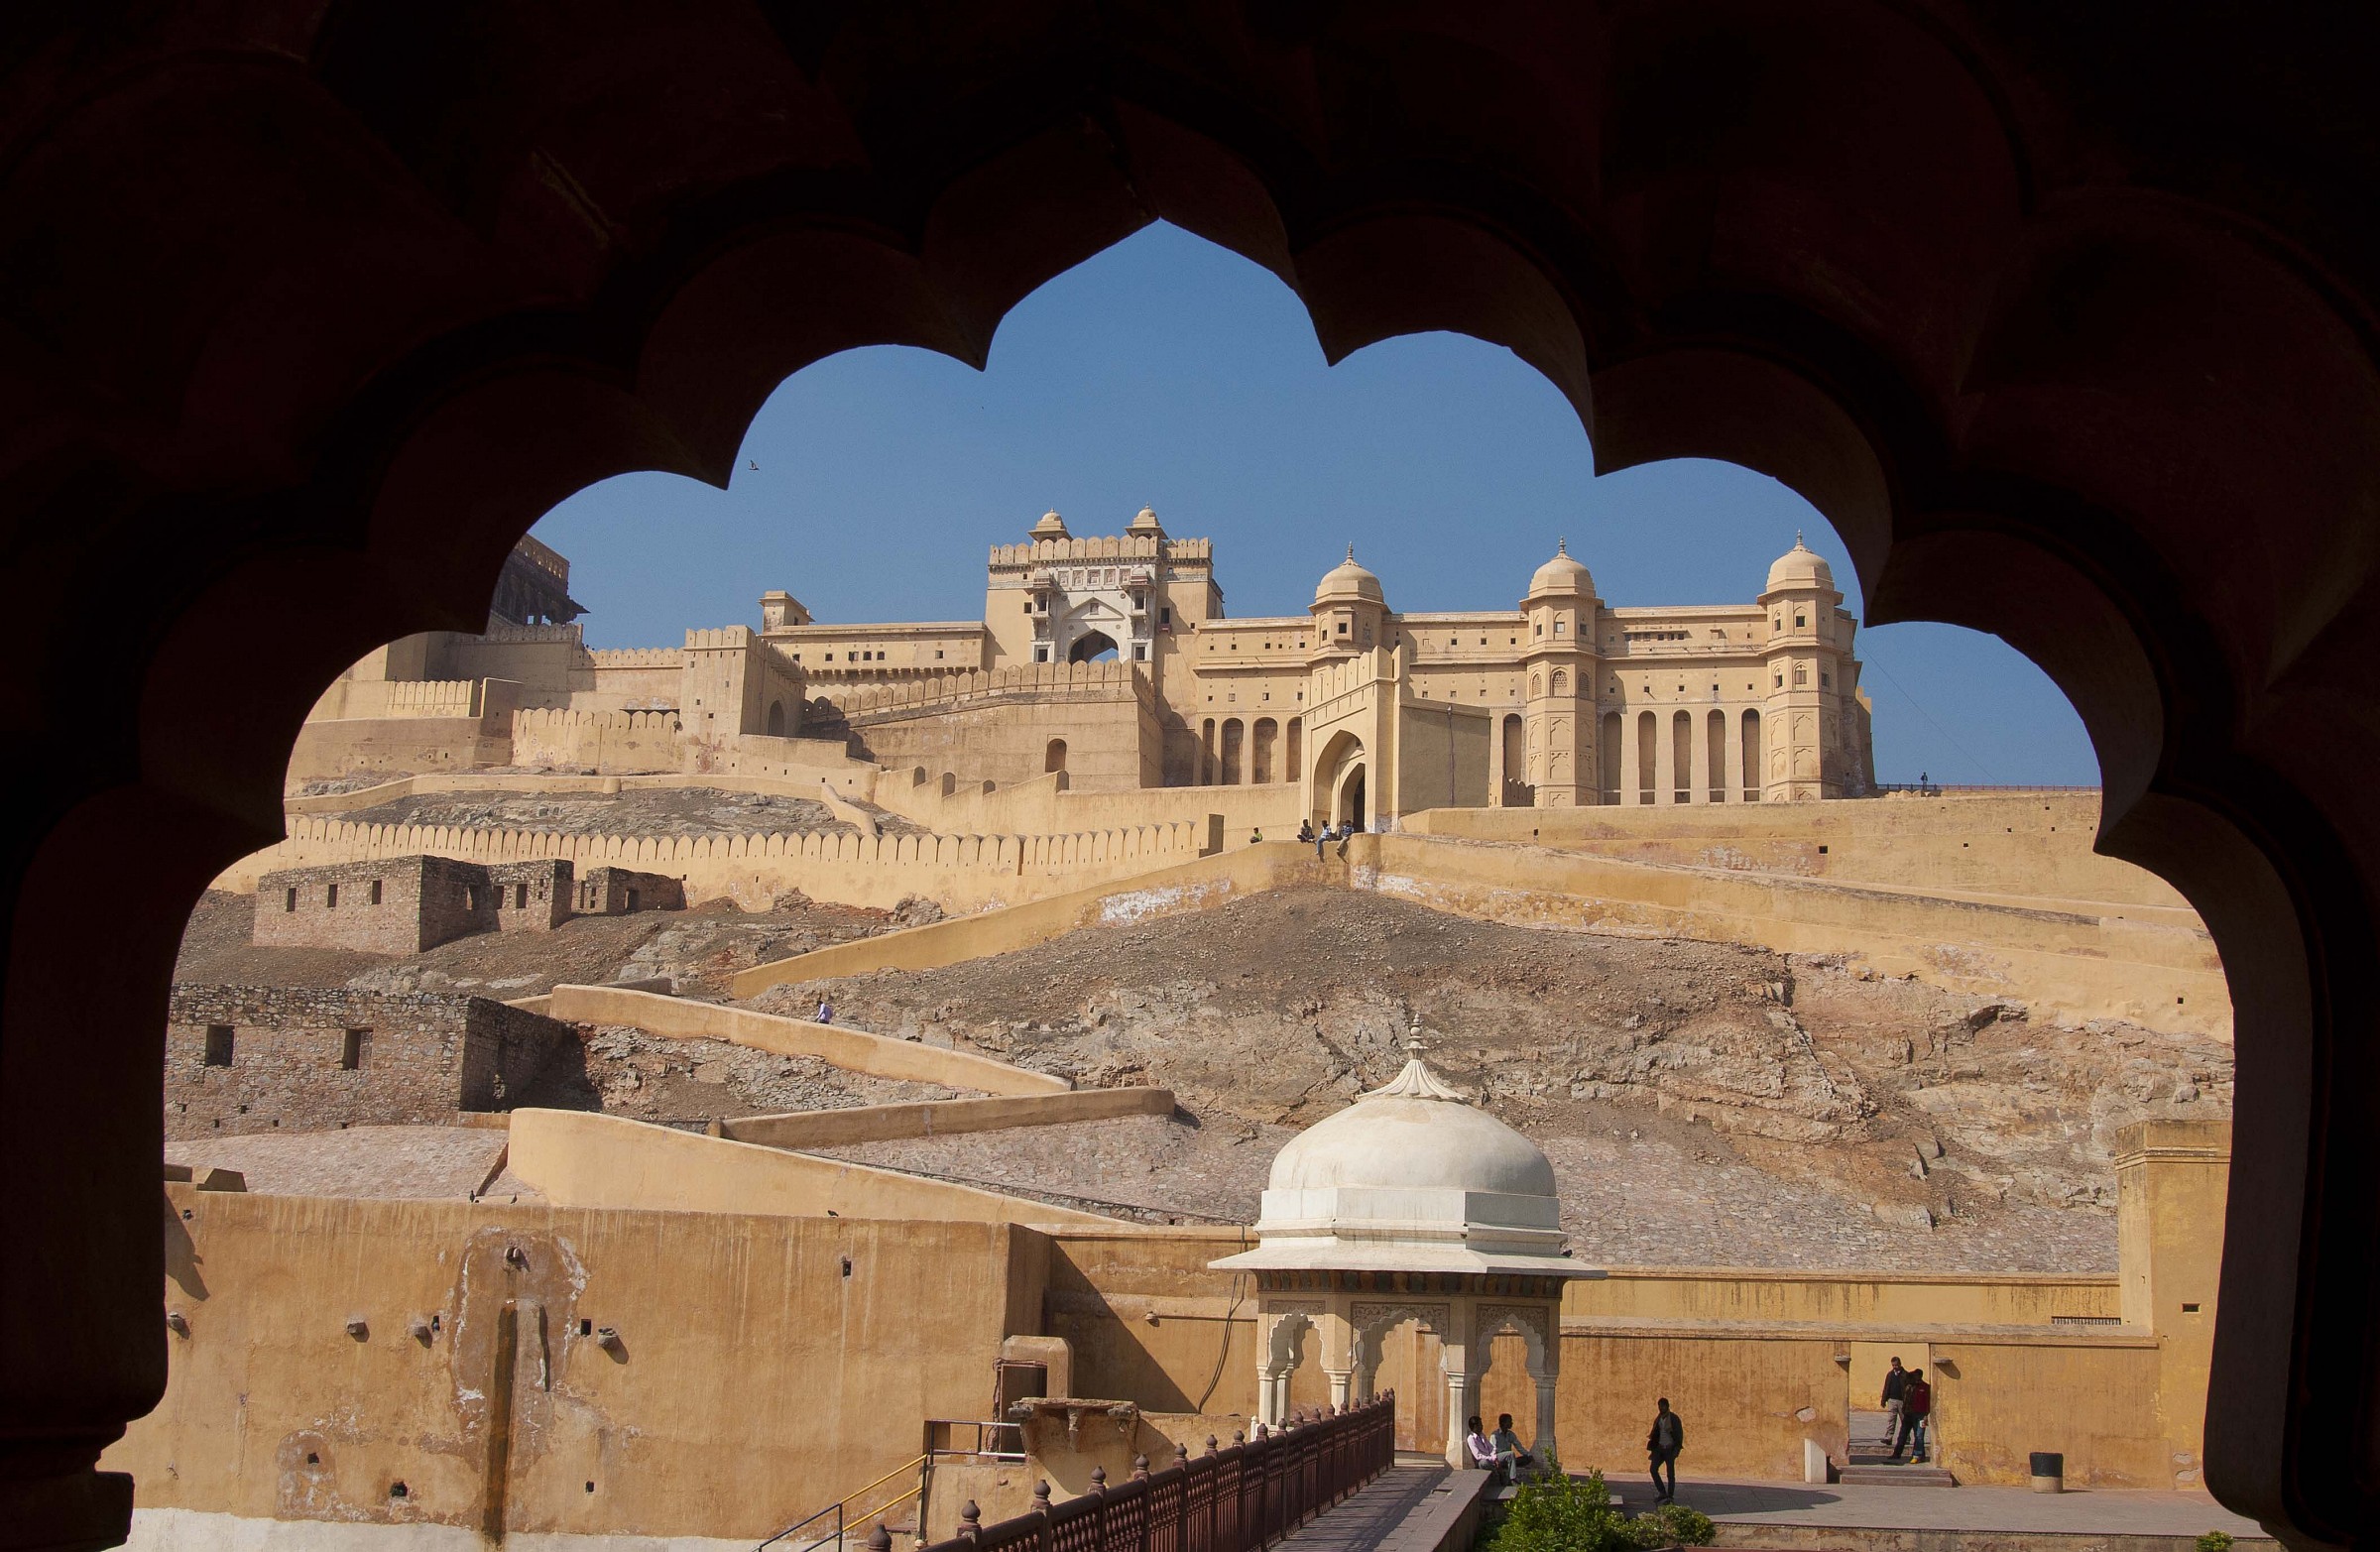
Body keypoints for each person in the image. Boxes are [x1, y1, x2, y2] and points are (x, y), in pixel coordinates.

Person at [1647, 1397, 1684, 1503]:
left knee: (1670, 1474)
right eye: (1659, 1406)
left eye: (1662, 1406)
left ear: (1667, 1406)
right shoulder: (1659, 1418)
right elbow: (1655, 1433)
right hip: (1659, 1448)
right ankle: (1662, 1492)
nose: (1660, 1408)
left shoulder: (1673, 1418)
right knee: (1653, 1469)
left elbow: (1679, 1435)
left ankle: (1670, 1496)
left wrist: (1676, 1449)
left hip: (1669, 1449)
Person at [1895, 1370, 1933, 1461]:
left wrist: (1926, 1415)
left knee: (1919, 1435)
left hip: (1920, 1415)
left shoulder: (1925, 1387)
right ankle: (1897, 1453)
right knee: (1902, 1434)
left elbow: (1928, 1402)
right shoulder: (1909, 1387)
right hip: (1908, 1414)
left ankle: (1917, 1455)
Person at [1490, 1413, 1531, 1483]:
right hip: (1499, 1458)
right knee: (1511, 1453)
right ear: (1504, 1423)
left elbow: (1519, 1447)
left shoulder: (1511, 1434)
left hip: (1509, 1459)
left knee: (1526, 1459)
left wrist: (1528, 1454)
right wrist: (1497, 1459)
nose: (1512, 1423)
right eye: (1510, 1421)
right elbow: (1492, 1450)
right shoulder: (1495, 1435)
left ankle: (1510, 1465)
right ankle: (1513, 1478)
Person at [1880, 1356, 1908, 1449]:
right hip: (1892, 1400)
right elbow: (1886, 1387)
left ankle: (1906, 1437)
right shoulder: (1890, 1374)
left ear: (1900, 1364)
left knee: (1904, 1420)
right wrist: (1884, 1400)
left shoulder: (1905, 1375)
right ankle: (1889, 1437)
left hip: (1902, 1401)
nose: (1895, 1367)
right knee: (1891, 1419)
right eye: (1893, 1365)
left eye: (1896, 1365)